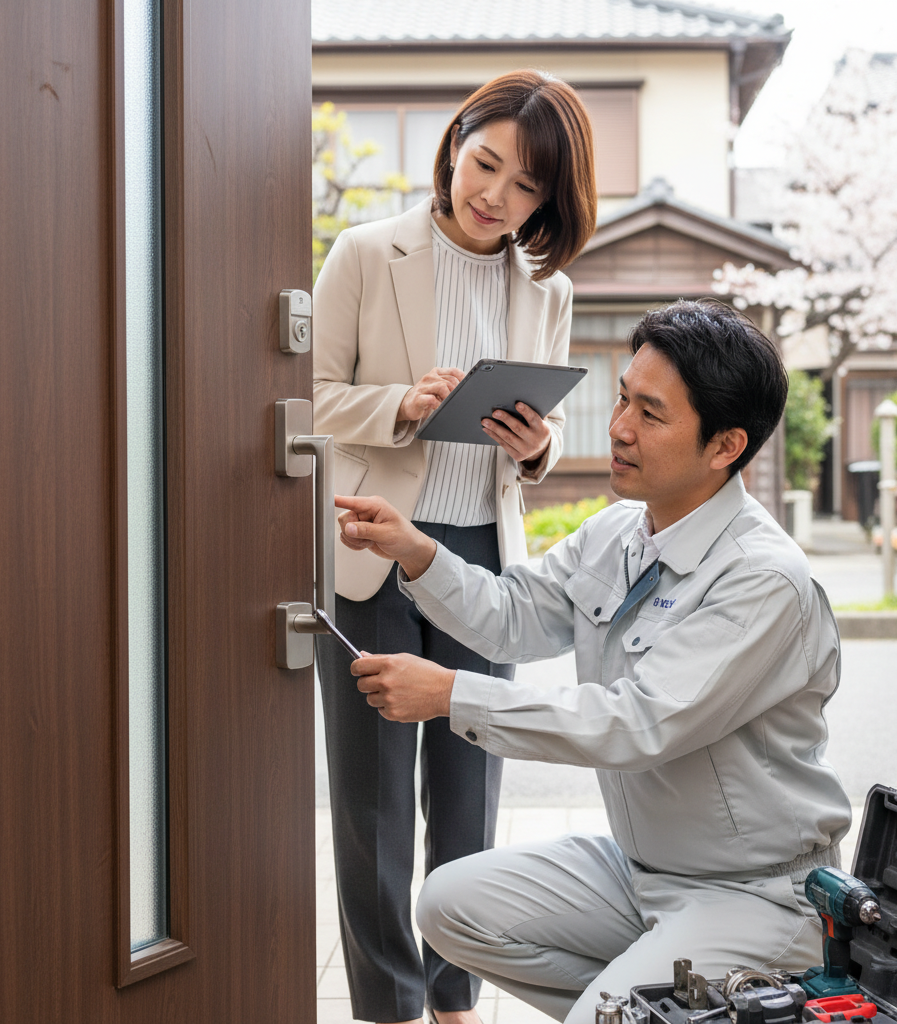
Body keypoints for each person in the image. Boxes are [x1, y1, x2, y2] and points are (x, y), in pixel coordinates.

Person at [334, 299, 852, 1024]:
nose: (617, 428)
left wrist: (452, 695)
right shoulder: (620, 532)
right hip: (638, 873)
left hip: (753, 893)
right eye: (620, 398)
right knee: (448, 905)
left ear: (725, 445)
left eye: (650, 412)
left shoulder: (763, 580)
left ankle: (656, 1004)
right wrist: (414, 550)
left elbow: (634, 724)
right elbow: (513, 615)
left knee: (607, 1015)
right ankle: (652, 1004)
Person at [311, 70, 597, 1024]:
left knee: (470, 793)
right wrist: (403, 406)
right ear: (456, 140)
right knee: (376, 807)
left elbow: (539, 444)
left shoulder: (545, 289)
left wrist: (537, 445)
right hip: (371, 550)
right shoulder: (364, 251)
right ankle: (389, 1008)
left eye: (526, 189)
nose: (495, 197)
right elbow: (303, 402)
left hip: (482, 558)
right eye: (486, 164)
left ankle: (455, 998)